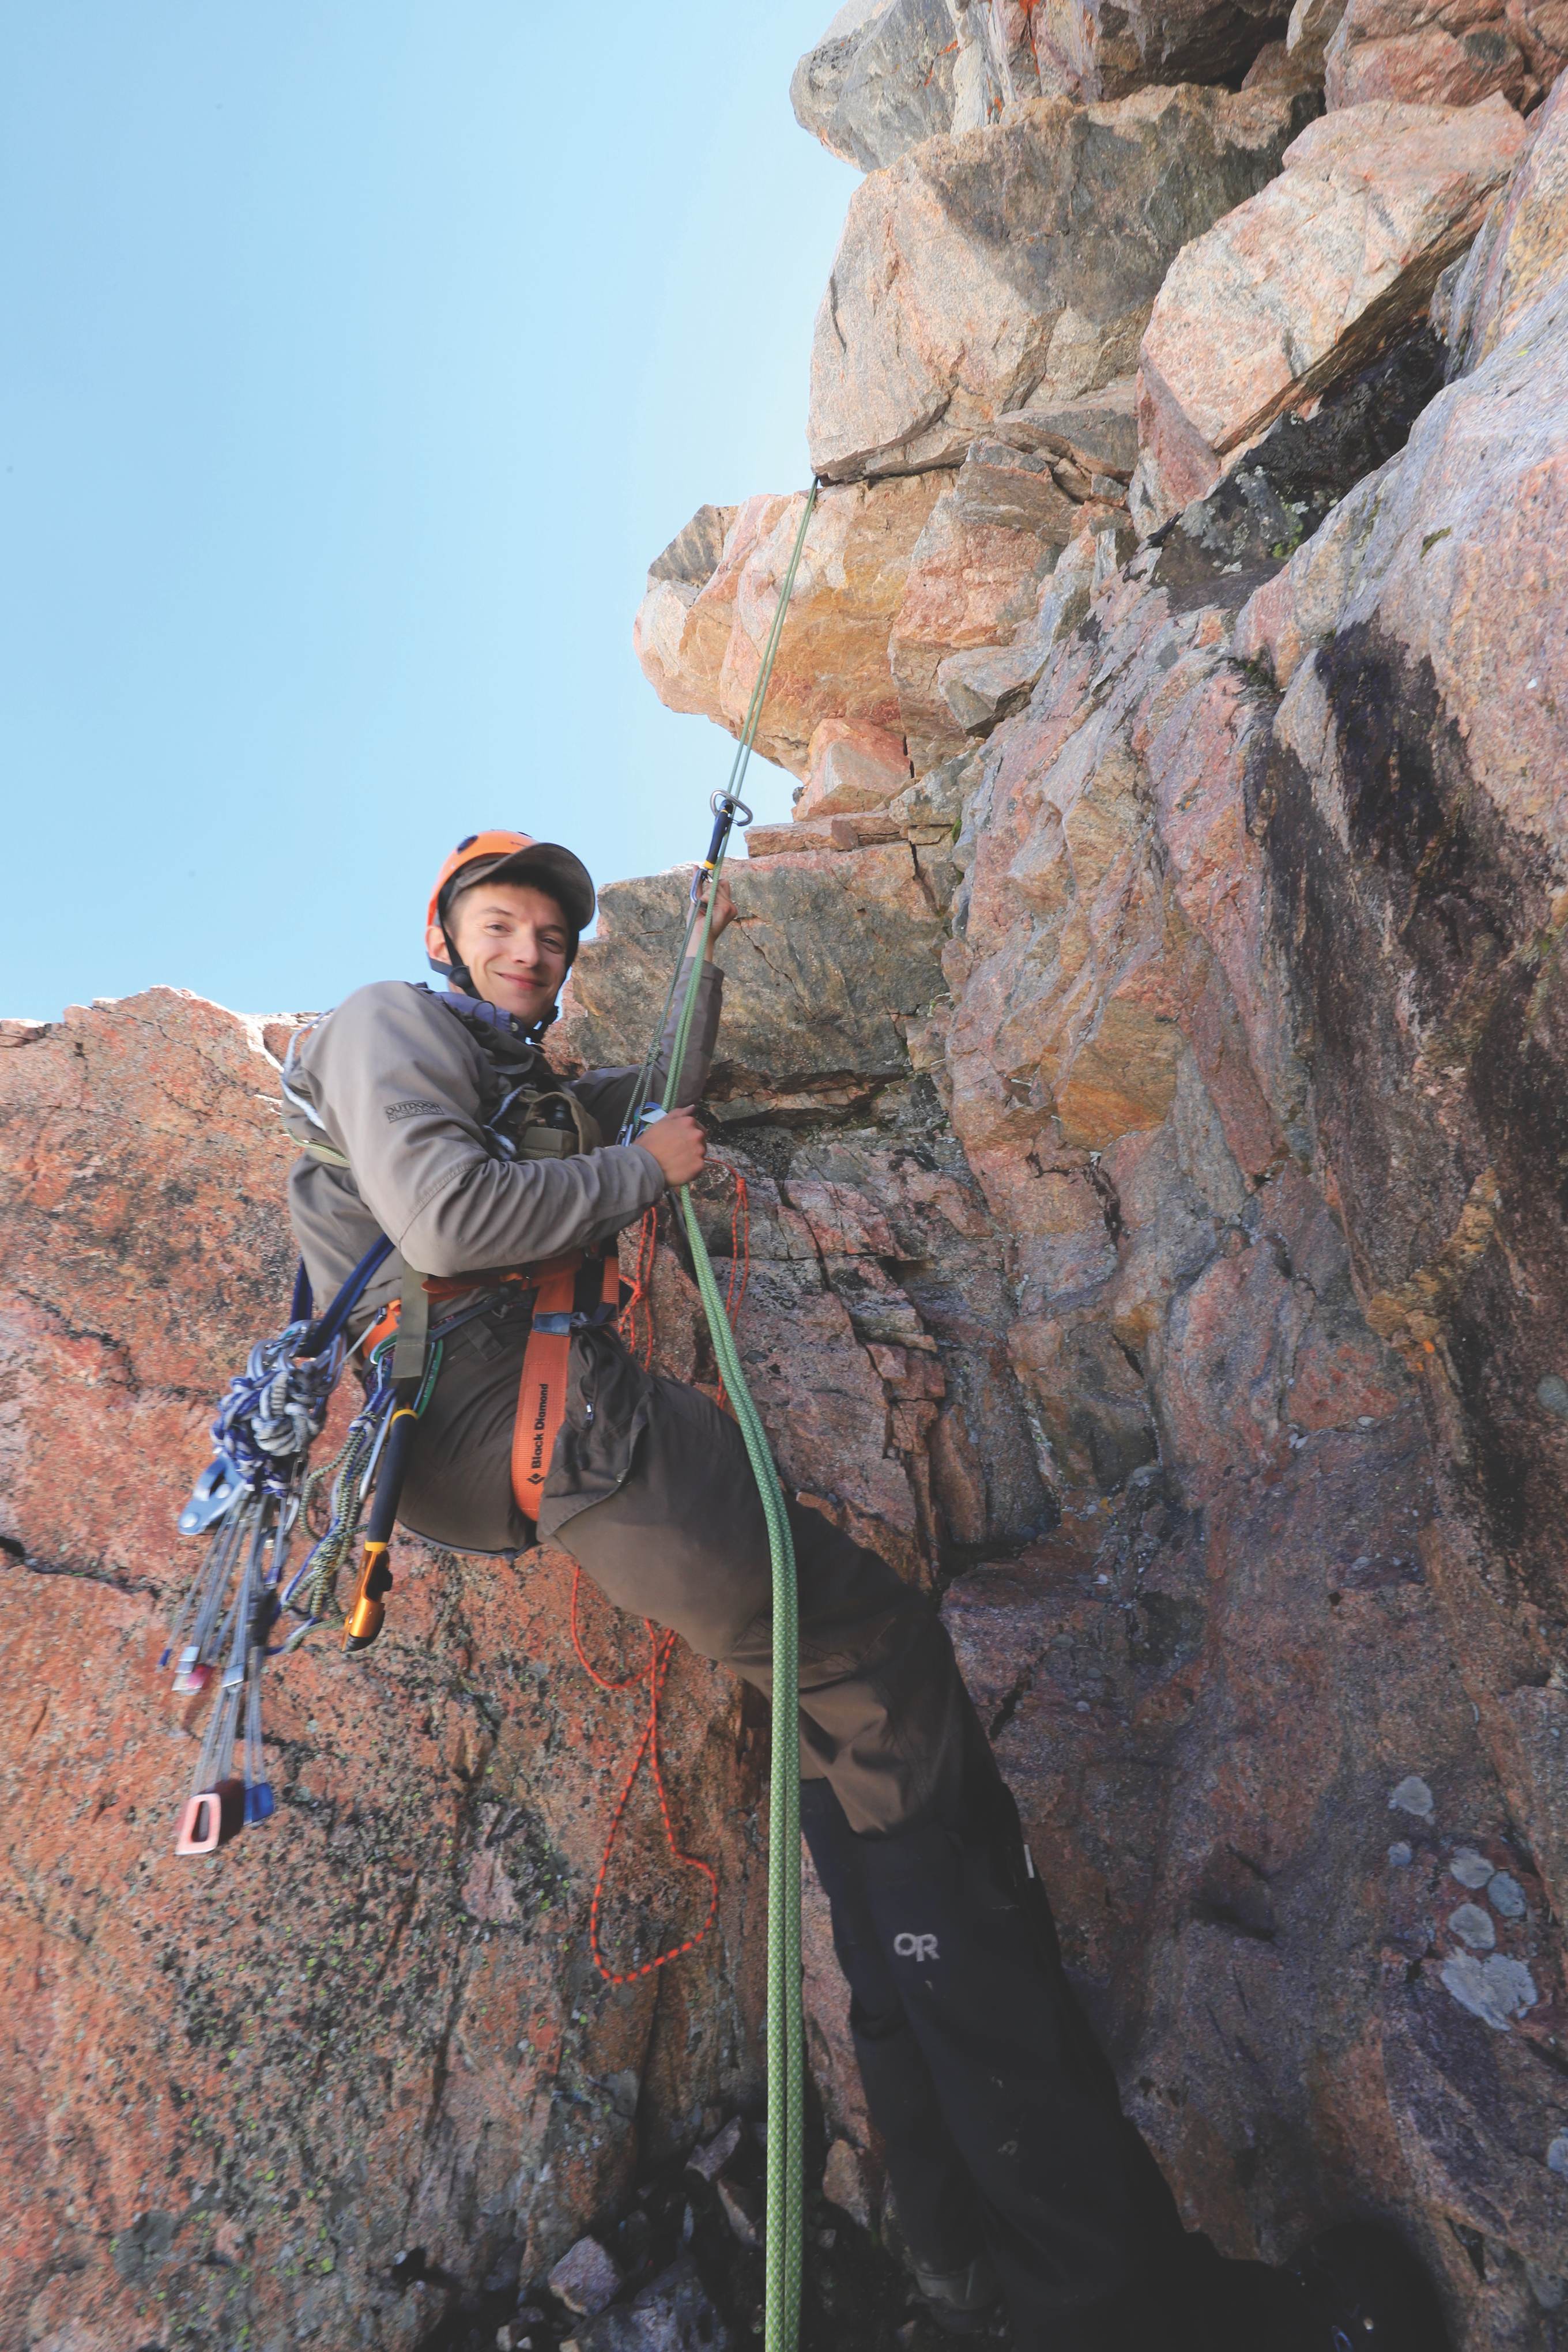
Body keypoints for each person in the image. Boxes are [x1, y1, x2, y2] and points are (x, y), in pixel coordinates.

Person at [281, 831, 1446, 2352]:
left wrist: (697, 956)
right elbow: (446, 1221)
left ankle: (965, 2253)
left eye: (552, 942)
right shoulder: (389, 1023)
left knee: (854, 1734)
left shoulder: (518, 1087)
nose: (534, 953)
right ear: (442, 934)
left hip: (537, 1424)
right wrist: (639, 1172)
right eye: (504, 927)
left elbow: (646, 1109)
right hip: (549, 1415)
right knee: (883, 1671)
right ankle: (1109, 2299)